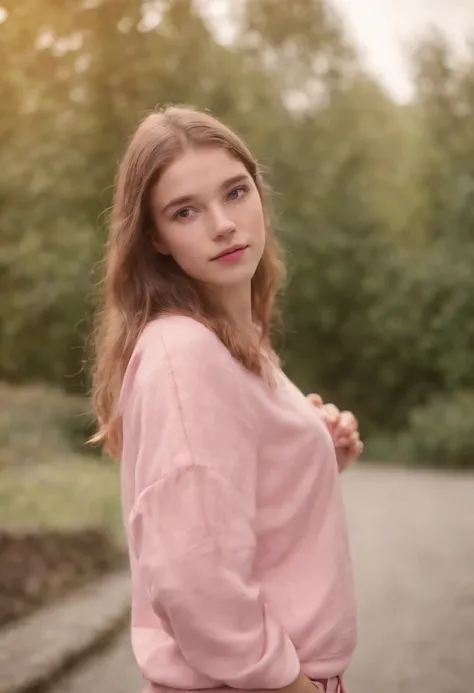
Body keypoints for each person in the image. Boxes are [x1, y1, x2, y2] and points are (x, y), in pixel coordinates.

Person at [90, 106, 363, 693]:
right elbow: (194, 574)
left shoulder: (231, 339)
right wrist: (284, 684)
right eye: (185, 211)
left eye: (235, 192)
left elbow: (236, 503)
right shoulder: (185, 354)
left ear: (259, 195)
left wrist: (311, 448)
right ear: (155, 238)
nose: (222, 224)